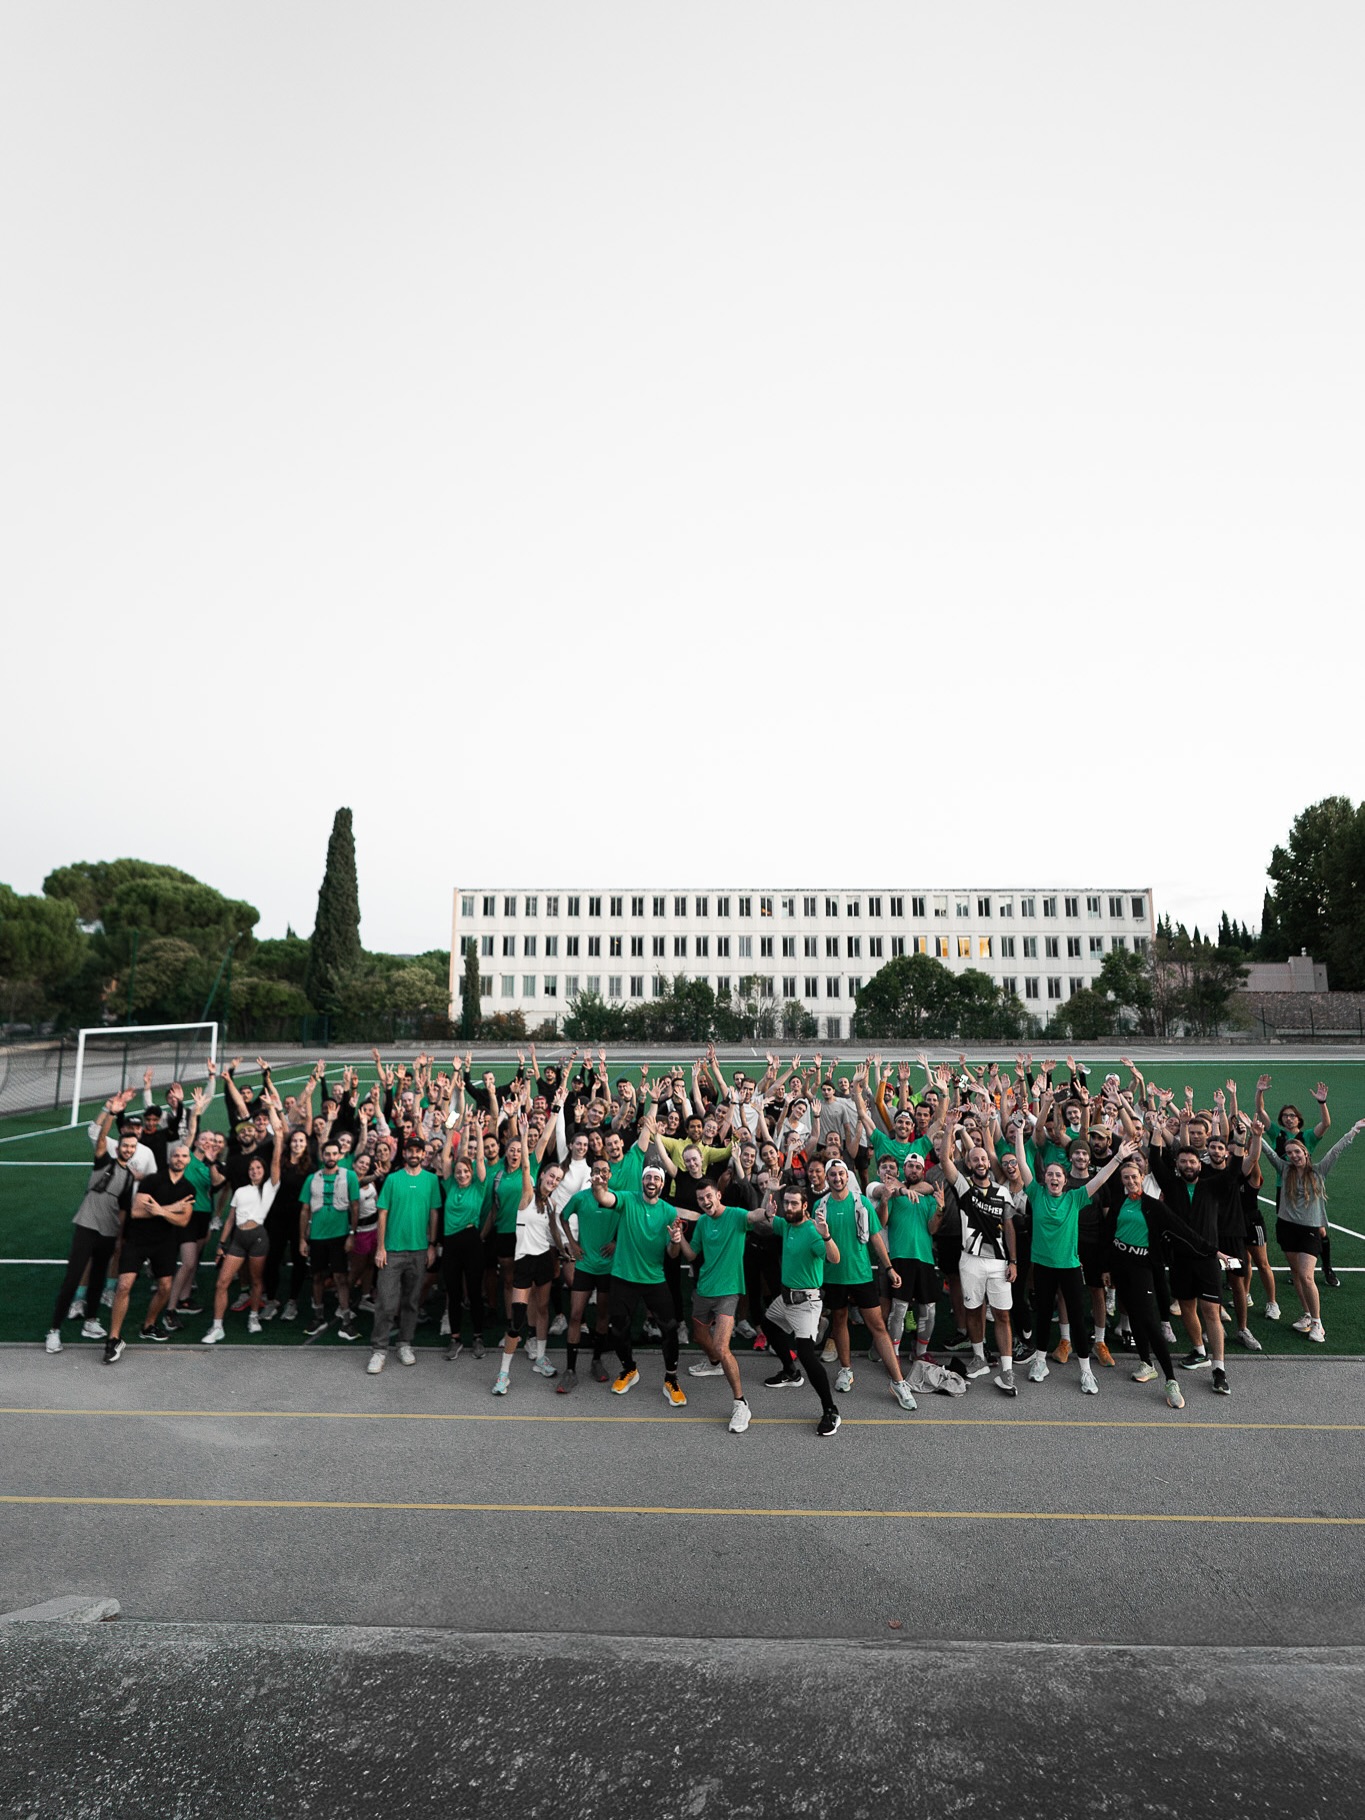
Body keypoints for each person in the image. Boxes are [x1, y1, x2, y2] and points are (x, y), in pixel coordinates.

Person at [1014, 1118, 1134, 1395]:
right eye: (1050, 1175)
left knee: (1078, 1319)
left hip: (1068, 1266)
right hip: (1042, 1267)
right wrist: (1020, 1134)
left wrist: (1117, 1158)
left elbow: (1100, 1178)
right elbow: (1022, 1164)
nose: (1054, 1178)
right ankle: (1040, 1362)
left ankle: (1085, 1371)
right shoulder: (1036, 1194)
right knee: (1043, 1315)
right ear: (1043, 1179)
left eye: (1058, 1175)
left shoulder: (1075, 1198)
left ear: (1065, 1180)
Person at [1098, 1154, 1220, 1410]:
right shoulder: (1120, 1203)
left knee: (1151, 1322)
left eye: (1134, 1177)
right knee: (1132, 1314)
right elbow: (1108, 1234)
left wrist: (1212, 1250)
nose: (1130, 1181)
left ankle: (1171, 1380)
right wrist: (1106, 1267)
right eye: (1125, 1177)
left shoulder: (1154, 1205)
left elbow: (1182, 1230)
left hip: (1143, 1268)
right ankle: (1146, 1363)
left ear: (1142, 1178)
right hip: (1121, 1267)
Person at [814, 1158, 918, 1410]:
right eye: (833, 1175)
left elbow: (875, 1237)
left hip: (861, 1276)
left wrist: (889, 1267)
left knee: (878, 1327)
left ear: (847, 1177)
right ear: (827, 1179)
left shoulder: (861, 1203)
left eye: (841, 1174)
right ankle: (846, 1370)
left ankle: (898, 1382)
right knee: (839, 1321)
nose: (837, 1178)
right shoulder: (820, 1205)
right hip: (833, 1277)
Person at [1253, 1114, 1364, 1343]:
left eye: (1297, 1152)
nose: (1294, 1156)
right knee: (1296, 1274)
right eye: (1290, 1153)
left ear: (1306, 1153)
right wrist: (1254, 1133)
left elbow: (1335, 1151)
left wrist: (1354, 1130)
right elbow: (1269, 1153)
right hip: (1286, 1228)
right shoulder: (1284, 1170)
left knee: (1306, 1276)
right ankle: (1306, 1314)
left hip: (1309, 1230)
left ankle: (1317, 1323)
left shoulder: (1318, 1171)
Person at [589, 1161, 688, 1406]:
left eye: (656, 1179)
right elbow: (606, 1198)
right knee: (618, 1328)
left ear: (662, 1184)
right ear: (642, 1181)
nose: (651, 1182)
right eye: (648, 1178)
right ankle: (629, 1369)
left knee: (669, 1329)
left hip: (654, 1278)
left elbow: (673, 1254)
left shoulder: (668, 1211)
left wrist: (676, 1240)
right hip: (623, 1277)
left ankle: (671, 1380)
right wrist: (599, 1187)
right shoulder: (627, 1199)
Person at [46, 1094, 139, 1353]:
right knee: (73, 1278)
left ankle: (91, 1321)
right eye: (126, 1145)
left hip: (108, 1232)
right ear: (119, 1146)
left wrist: (120, 1236)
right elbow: (100, 1138)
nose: (128, 1149)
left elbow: (123, 1210)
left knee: (98, 1278)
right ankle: (54, 1330)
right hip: (87, 1225)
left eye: (133, 1147)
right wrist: (111, 1112)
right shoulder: (104, 1160)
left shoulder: (130, 1176)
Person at [939, 1106, 1019, 1395]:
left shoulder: (1002, 1192)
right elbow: (946, 1161)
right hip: (970, 1260)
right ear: (970, 1164)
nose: (980, 1162)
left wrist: (1013, 1261)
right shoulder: (963, 1187)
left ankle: (1008, 1371)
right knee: (973, 1311)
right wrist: (950, 1127)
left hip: (999, 1263)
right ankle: (979, 1358)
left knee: (1003, 1315)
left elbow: (1009, 1228)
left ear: (989, 1161)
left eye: (984, 1158)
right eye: (975, 1159)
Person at [759, 1179, 844, 1438]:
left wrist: (826, 1234)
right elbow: (766, 1218)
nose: (789, 1207)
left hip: (806, 1303)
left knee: (807, 1356)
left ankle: (831, 1410)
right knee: (768, 1323)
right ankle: (789, 1371)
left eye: (794, 1203)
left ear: (805, 1206)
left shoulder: (811, 1232)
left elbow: (834, 1258)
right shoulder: (786, 1225)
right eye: (787, 1203)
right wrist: (770, 1193)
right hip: (785, 1299)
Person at [677, 1179, 759, 1433]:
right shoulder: (702, 1222)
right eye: (701, 1199)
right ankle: (713, 1364)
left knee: (723, 1347)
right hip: (704, 1289)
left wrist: (769, 1200)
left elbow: (757, 1215)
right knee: (700, 1337)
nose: (705, 1202)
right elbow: (692, 1255)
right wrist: (678, 1239)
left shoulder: (735, 1216)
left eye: (709, 1196)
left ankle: (740, 1403)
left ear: (718, 1195)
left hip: (728, 1292)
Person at [492, 1121, 567, 1393]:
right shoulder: (527, 1194)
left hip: (544, 1261)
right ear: (542, 1175)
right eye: (551, 1176)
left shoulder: (552, 1204)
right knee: (518, 1318)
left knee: (543, 1309)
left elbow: (553, 1235)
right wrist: (524, 1138)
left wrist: (566, 1250)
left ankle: (541, 1357)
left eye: (558, 1179)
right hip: (523, 1262)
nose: (553, 1181)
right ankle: (503, 1373)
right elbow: (525, 1167)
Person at [106, 1141, 197, 1362]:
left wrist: (158, 1210)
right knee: (124, 1285)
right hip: (138, 1239)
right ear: (170, 1158)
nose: (179, 1159)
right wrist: (169, 1210)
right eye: (176, 1155)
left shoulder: (188, 1188)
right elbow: (137, 1212)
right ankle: (113, 1338)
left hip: (165, 1243)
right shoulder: (152, 1180)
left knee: (165, 1287)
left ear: (188, 1160)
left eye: (184, 1156)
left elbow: (183, 1220)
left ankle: (148, 1325)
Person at [203, 1101, 284, 1343]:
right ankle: (217, 1326)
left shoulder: (271, 1187)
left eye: (259, 1168)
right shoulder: (240, 1192)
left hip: (259, 1238)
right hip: (238, 1239)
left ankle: (254, 1316)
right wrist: (221, 1244)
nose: (255, 1171)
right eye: (252, 1169)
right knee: (222, 1282)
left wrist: (277, 1130)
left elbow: (277, 1159)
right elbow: (229, 1219)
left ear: (265, 1170)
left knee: (258, 1280)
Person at [366, 1136, 443, 1374]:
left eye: (418, 1151)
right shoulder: (392, 1179)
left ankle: (404, 1343)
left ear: (423, 1155)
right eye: (410, 1150)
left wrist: (431, 1245)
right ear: (405, 1153)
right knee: (387, 1303)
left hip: (419, 1250)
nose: (414, 1154)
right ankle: (379, 1350)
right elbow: (382, 1214)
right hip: (392, 1251)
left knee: (411, 1302)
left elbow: (433, 1214)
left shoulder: (431, 1180)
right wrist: (381, 1247)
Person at [556, 1159, 620, 1392]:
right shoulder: (581, 1197)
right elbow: (563, 1217)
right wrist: (572, 1243)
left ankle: (596, 1361)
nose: (600, 1174)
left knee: (603, 1315)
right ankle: (570, 1370)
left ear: (609, 1175)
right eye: (596, 1171)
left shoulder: (616, 1199)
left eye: (604, 1171)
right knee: (575, 1316)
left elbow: (627, 1222)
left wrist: (616, 1241)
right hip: (584, 1265)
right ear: (591, 1175)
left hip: (607, 1268)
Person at [299, 1140, 361, 1342]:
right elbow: (305, 1209)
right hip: (317, 1236)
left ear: (340, 1155)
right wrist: (302, 1239)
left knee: (340, 1278)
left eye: (335, 1154)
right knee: (316, 1277)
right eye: (327, 1154)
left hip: (339, 1235)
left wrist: (352, 1234)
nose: (331, 1157)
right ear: (322, 1155)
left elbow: (355, 1206)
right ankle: (318, 1316)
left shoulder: (349, 1176)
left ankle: (346, 1320)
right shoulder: (312, 1179)